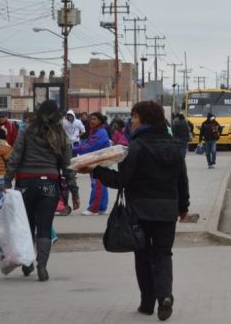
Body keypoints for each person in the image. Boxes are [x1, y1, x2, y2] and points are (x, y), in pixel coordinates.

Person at [79, 101, 189, 321]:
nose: (132, 121)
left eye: (135, 116)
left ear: (145, 119)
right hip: (167, 211)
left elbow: (121, 180)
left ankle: (147, 303)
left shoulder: (136, 147)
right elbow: (182, 179)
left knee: (142, 254)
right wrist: (183, 207)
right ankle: (165, 296)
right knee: (163, 253)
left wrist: (96, 170)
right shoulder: (175, 146)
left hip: (140, 210)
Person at [4, 100, 80, 281]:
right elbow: (68, 167)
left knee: (27, 226)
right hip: (49, 185)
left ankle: (27, 261)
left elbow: (15, 157)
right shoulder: (61, 136)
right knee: (45, 226)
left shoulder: (26, 131)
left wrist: (7, 181)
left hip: (24, 184)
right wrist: (74, 192)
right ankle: (42, 266)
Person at [73, 112, 111, 215]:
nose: (91, 121)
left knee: (97, 185)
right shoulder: (95, 131)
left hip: (99, 162)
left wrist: (74, 149)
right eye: (91, 119)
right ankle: (102, 208)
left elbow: (89, 146)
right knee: (101, 184)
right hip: (97, 161)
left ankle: (93, 208)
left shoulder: (100, 133)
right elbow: (87, 143)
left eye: (94, 119)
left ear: (100, 121)